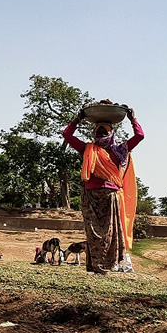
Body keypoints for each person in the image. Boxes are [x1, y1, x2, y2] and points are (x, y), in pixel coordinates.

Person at [62, 104, 143, 274]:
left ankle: (110, 265)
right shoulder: (88, 149)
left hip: (109, 196)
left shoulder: (120, 150)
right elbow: (67, 135)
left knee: (110, 233)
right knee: (93, 233)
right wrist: (78, 118)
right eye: (98, 132)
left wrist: (132, 119)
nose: (100, 135)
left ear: (111, 133)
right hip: (90, 196)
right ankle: (96, 266)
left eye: (104, 132)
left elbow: (140, 136)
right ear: (93, 134)